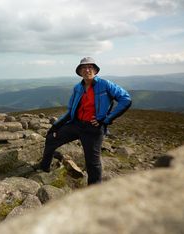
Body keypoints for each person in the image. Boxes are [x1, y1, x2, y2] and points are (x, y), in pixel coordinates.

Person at [37, 57, 132, 185]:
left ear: (95, 70)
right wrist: (55, 126)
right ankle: (44, 169)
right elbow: (71, 111)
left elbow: (125, 99)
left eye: (90, 67)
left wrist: (106, 120)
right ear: (80, 72)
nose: (87, 70)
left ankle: (94, 190)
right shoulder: (78, 88)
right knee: (51, 138)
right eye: (83, 68)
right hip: (76, 124)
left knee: (92, 162)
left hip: (93, 129)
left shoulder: (105, 85)